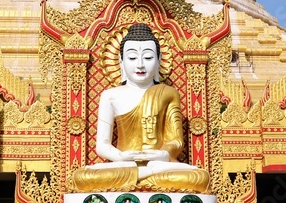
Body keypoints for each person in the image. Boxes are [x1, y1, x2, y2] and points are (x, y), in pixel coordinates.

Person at [71, 23, 210, 193]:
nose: (140, 65)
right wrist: (121, 156)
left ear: (159, 60)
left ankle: (141, 174)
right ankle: (142, 174)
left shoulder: (168, 93)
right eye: (132, 58)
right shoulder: (110, 95)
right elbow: (102, 145)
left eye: (148, 57)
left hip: (159, 164)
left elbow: (176, 140)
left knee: (199, 177)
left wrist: (164, 154)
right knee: (83, 178)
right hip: (124, 164)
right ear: (121, 61)